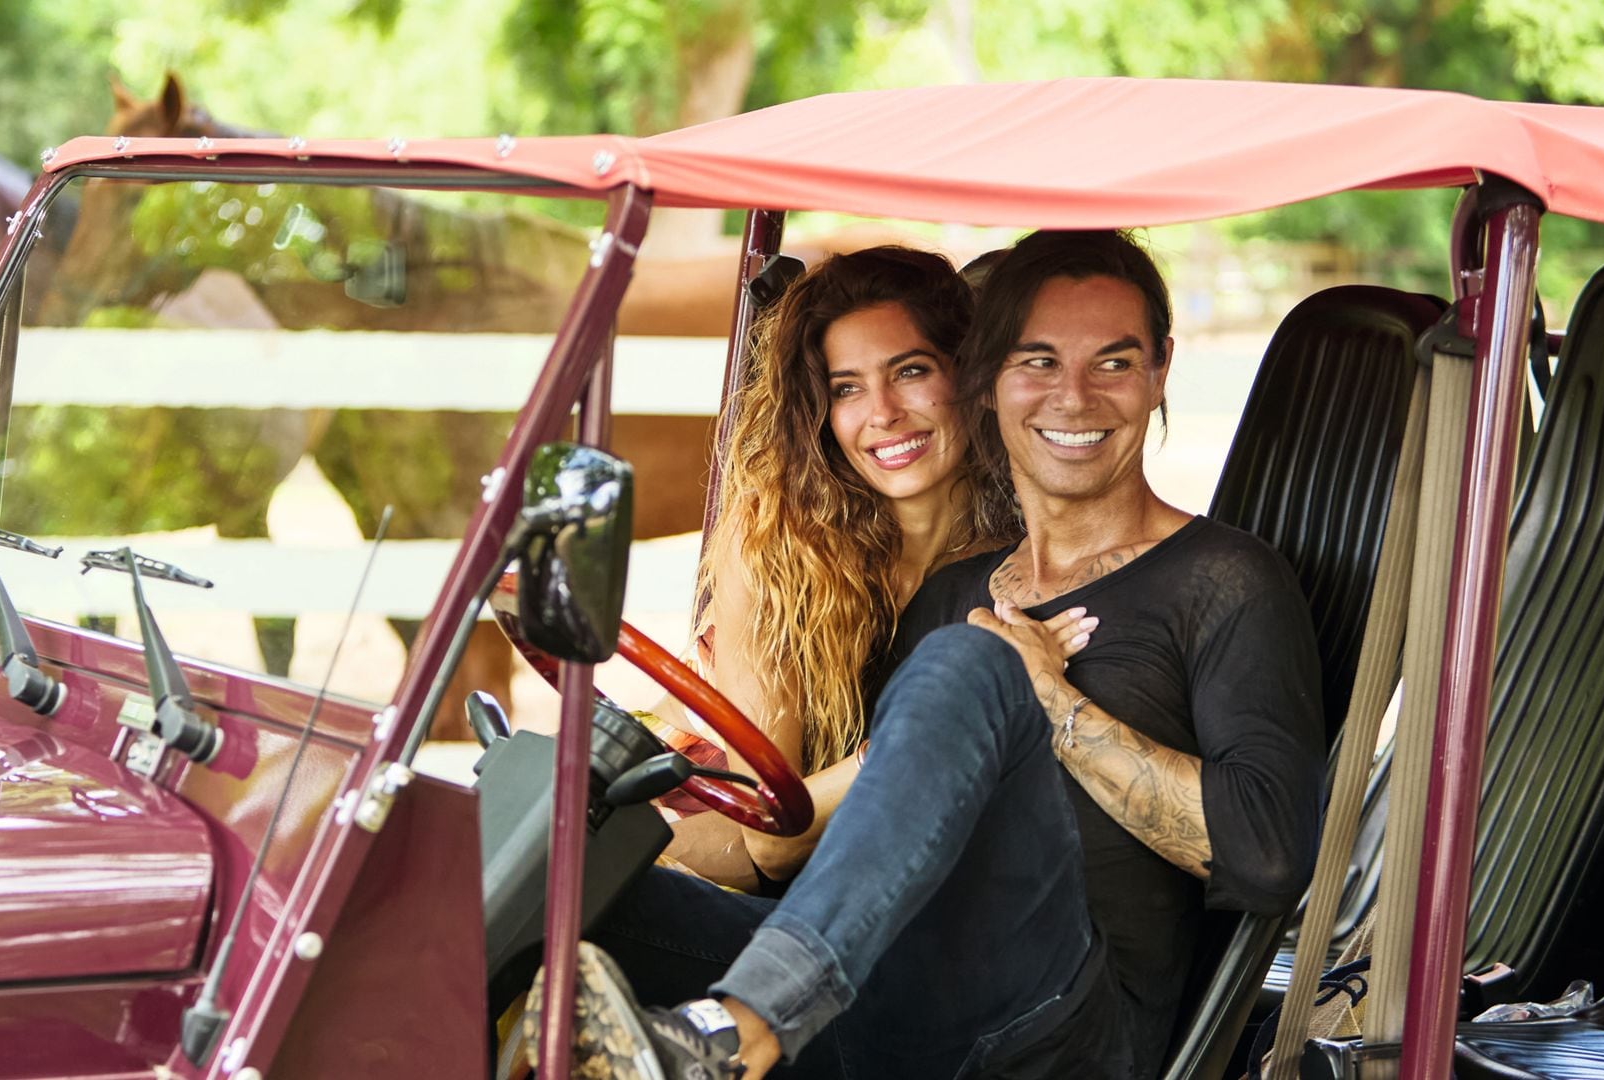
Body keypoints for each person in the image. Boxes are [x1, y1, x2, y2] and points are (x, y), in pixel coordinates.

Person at [532, 229, 1325, 1079]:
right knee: (544, 872)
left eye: (1114, 363)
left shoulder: (1225, 581)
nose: (1073, 397)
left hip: (1066, 1030)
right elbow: (864, 836)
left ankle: (746, 1028)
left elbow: (1269, 860)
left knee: (971, 664)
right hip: (893, 1000)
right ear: (990, 379)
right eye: (1039, 362)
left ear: (1161, 368)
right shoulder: (959, 588)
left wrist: (1052, 704)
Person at [643, 244, 1069, 890]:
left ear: (970, 375)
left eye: (910, 371)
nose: (882, 414)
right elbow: (770, 842)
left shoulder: (1024, 554)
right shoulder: (778, 542)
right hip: (691, 862)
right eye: (847, 388)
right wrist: (911, 738)